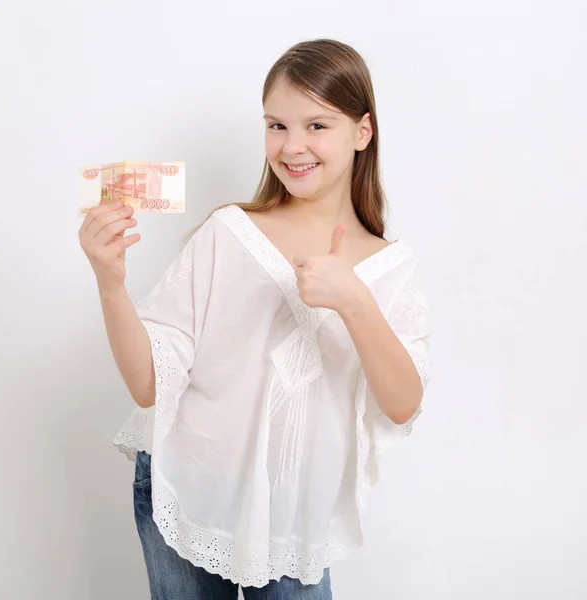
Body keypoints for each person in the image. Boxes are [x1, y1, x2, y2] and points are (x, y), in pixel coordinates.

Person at [79, 38, 433, 600]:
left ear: (362, 132)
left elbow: (403, 403)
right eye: (276, 125)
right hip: (189, 486)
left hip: (295, 520)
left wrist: (354, 301)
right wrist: (110, 282)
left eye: (317, 125)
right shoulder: (228, 234)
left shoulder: (389, 268)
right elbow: (150, 386)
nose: (292, 147)